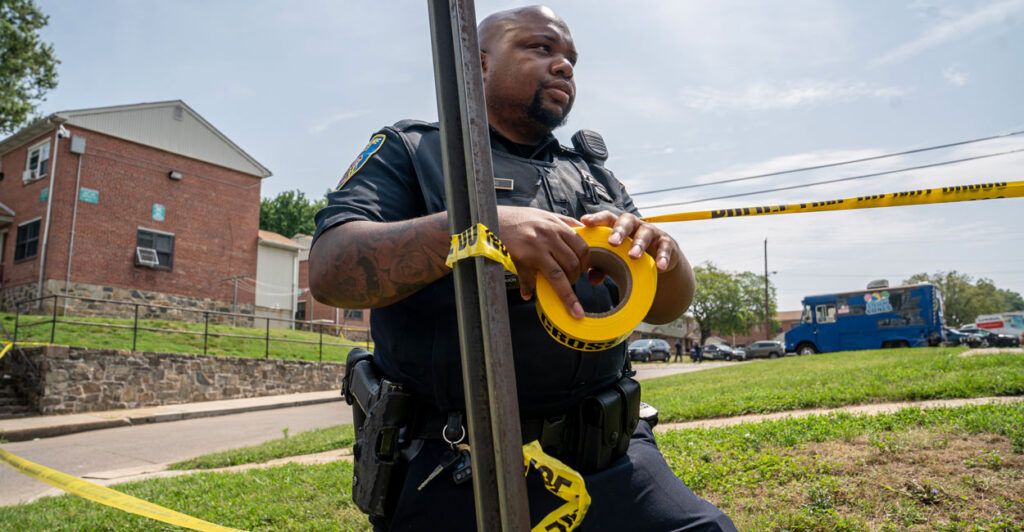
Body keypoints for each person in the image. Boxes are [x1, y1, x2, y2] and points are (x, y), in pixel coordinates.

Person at [310, 6, 735, 531]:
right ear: (478, 63)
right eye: (541, 48)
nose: (564, 66)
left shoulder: (593, 174)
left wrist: (663, 250)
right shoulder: (415, 150)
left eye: (570, 58)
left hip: (610, 456)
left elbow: (669, 303)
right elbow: (329, 270)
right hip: (455, 466)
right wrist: (477, 230)